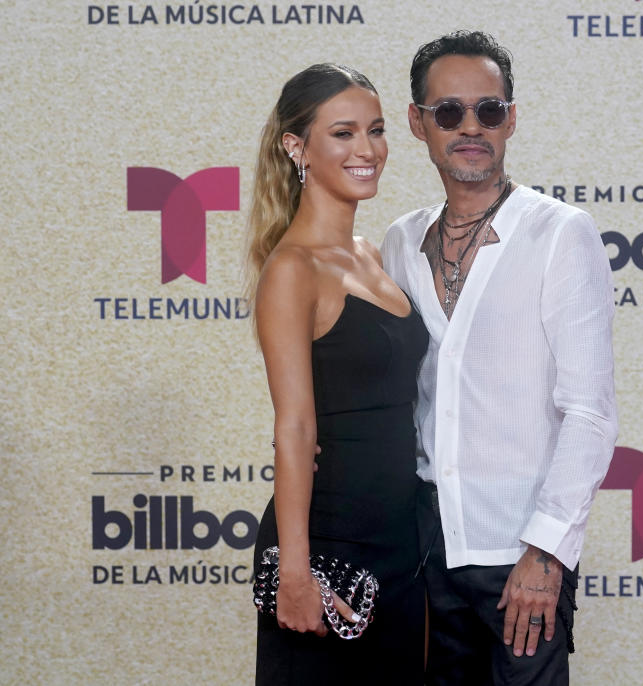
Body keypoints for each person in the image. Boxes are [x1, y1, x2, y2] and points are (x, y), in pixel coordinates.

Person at [380, 31, 619, 685]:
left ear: (510, 118)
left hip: (521, 556)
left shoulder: (559, 233)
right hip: (426, 551)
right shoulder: (400, 240)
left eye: (489, 110)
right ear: (416, 122)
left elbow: (590, 413)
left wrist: (546, 553)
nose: (471, 127)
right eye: (449, 111)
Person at [246, 63, 427, 685]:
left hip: (402, 545)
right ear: (296, 147)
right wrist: (294, 573)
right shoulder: (292, 269)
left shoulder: (373, 256)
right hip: (328, 548)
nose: (368, 150)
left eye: (375, 131)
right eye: (343, 133)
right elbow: (294, 428)